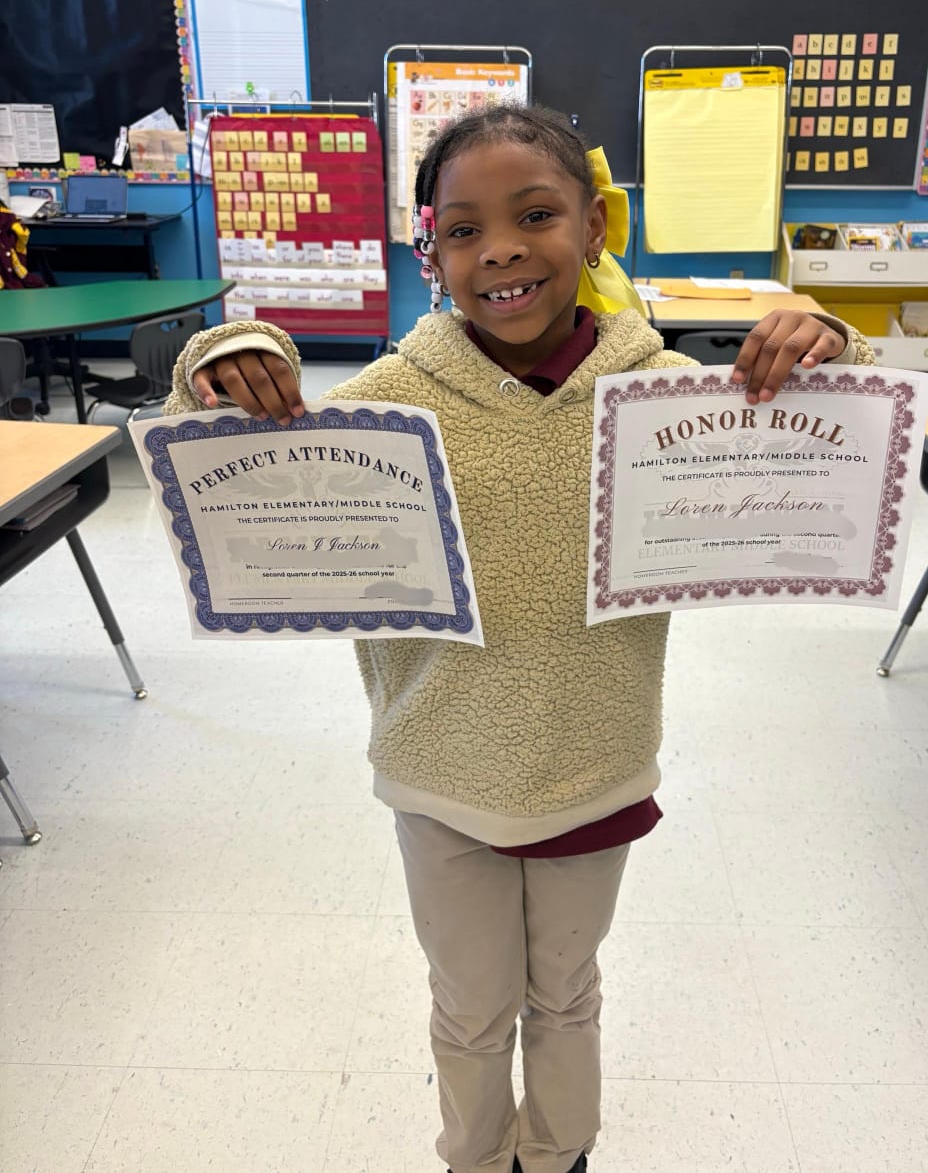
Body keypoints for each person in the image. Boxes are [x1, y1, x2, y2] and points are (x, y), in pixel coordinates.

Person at [165, 104, 875, 1173]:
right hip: (440, 768)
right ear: (432, 252)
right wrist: (226, 356)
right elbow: (228, 452)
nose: (498, 248)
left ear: (594, 228)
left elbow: (837, 428)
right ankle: (473, 1158)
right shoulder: (390, 404)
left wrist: (824, 341)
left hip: (592, 759)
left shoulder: (662, 399)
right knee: (468, 1005)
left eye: (534, 214)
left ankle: (558, 1155)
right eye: (463, 230)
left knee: (566, 994)